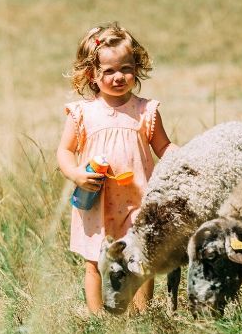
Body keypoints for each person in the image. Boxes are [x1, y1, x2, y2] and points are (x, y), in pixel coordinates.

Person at [57, 23, 177, 314]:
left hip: (138, 199)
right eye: (108, 71)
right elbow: (65, 151)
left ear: (137, 67)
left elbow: (163, 146)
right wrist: (75, 174)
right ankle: (98, 316)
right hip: (97, 200)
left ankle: (140, 312)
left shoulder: (146, 110)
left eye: (125, 68)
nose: (118, 77)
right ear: (92, 75)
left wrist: (181, 157)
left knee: (141, 257)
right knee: (95, 261)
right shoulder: (82, 113)